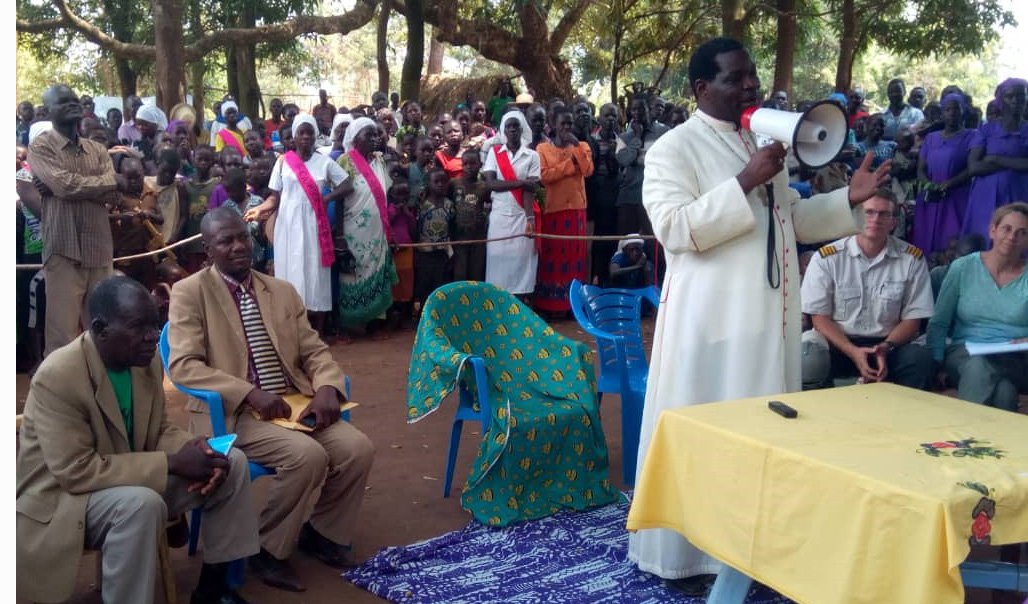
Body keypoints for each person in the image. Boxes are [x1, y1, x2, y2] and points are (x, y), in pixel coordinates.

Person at [629, 38, 891, 595]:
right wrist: (745, 180)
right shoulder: (672, 149)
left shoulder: (764, 142)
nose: (752, 86)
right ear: (702, 89)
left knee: (763, 438)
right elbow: (674, 229)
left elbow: (788, 220)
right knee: (709, 434)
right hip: (710, 323)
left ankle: (753, 551)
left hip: (767, 321)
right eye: (736, 78)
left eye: (752, 76)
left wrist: (849, 198)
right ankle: (690, 555)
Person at [17, 276, 259, 604]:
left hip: (128, 479)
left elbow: (157, 430)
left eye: (155, 325)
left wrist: (195, 448)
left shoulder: (144, 361)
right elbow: (75, 471)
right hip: (65, 499)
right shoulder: (57, 377)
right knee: (140, 505)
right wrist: (174, 462)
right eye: (138, 328)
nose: (152, 338)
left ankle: (214, 591)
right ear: (101, 330)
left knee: (231, 462)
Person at [167, 209, 374, 592]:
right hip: (234, 413)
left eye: (243, 237)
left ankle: (322, 533)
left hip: (292, 405)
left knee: (356, 448)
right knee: (306, 456)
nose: (238, 246)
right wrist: (249, 392)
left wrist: (328, 386)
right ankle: (265, 548)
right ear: (207, 249)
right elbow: (184, 365)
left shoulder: (280, 290)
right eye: (225, 241)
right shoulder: (190, 293)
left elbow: (313, 350)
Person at [800, 191, 934, 389]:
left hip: (888, 344)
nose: (875, 219)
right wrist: (853, 351)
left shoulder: (911, 259)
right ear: (856, 217)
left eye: (884, 214)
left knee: (919, 358)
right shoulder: (827, 258)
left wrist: (885, 348)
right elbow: (819, 318)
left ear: (893, 222)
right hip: (838, 342)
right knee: (808, 355)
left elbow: (913, 319)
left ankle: (906, 416)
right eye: (869, 212)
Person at [27, 85, 125, 357]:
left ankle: (101, 392)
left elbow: (115, 195)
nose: (72, 104)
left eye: (74, 100)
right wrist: (104, 183)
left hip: (99, 249)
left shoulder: (97, 149)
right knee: (62, 337)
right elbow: (65, 186)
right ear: (47, 111)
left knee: (104, 329)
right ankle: (62, 396)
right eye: (63, 102)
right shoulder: (41, 146)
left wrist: (69, 186)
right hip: (63, 250)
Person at [244, 114, 350, 335]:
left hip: (314, 225)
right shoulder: (283, 162)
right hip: (288, 226)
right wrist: (259, 209)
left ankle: (317, 331)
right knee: (290, 272)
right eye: (301, 132)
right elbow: (275, 198)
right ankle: (292, 328)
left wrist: (327, 198)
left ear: (314, 135)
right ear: (294, 136)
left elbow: (347, 185)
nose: (305, 136)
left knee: (316, 273)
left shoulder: (324, 162)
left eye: (309, 132)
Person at [926, 202, 1028, 412]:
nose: (1012, 237)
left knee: (993, 379)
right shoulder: (963, 267)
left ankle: (962, 437)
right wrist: (937, 363)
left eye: (1022, 232)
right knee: (998, 386)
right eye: (1006, 229)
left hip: (1015, 359)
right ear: (992, 230)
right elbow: (939, 321)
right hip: (964, 354)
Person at [535, 105, 594, 315]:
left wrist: (577, 147)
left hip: (577, 210)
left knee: (575, 255)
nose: (567, 127)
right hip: (553, 210)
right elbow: (544, 177)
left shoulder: (583, 146)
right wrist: (570, 166)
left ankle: (573, 306)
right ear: (553, 125)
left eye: (570, 123)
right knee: (553, 256)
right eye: (563, 123)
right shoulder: (542, 149)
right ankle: (550, 305)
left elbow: (587, 171)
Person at [482, 111, 541, 300]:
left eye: (516, 126)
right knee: (497, 260)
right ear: (503, 130)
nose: (513, 129)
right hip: (499, 217)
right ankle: (498, 304)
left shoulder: (532, 156)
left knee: (522, 262)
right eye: (509, 126)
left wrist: (530, 217)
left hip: (522, 215)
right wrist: (521, 182)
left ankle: (520, 304)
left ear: (522, 129)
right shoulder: (494, 153)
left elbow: (531, 190)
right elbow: (491, 184)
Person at [963, 78, 1028, 238]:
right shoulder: (986, 130)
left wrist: (995, 159)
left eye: (1021, 95)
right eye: (1010, 96)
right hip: (986, 196)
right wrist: (1016, 163)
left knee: (1017, 239)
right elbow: (974, 167)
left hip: (1021, 194)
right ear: (1001, 100)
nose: (1016, 100)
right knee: (985, 236)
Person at [912, 93, 974, 254]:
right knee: (923, 242)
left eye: (956, 109)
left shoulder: (972, 136)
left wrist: (946, 185)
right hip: (930, 196)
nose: (952, 113)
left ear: (963, 111)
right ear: (942, 113)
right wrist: (929, 185)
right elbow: (921, 168)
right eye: (947, 109)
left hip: (956, 197)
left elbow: (971, 168)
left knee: (950, 243)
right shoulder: (931, 138)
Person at [109, 156, 163, 288]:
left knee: (149, 289)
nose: (133, 181)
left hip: (149, 254)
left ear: (143, 172)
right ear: (122, 176)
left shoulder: (151, 194)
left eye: (137, 177)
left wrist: (149, 215)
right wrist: (121, 217)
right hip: (127, 254)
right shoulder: (118, 196)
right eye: (129, 178)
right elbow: (105, 216)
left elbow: (161, 219)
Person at [586, 103, 622, 284]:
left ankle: (609, 278)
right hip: (597, 194)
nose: (610, 119)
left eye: (614, 116)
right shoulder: (592, 140)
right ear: (599, 118)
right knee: (597, 240)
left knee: (612, 239)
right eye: (607, 115)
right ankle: (594, 278)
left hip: (615, 194)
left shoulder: (621, 141)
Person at [450, 148, 491, 282]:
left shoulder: (484, 186)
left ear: (480, 164)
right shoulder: (454, 184)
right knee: (460, 274)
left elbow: (490, 204)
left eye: (472, 163)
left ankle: (476, 301)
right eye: (465, 163)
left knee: (476, 273)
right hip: (459, 237)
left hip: (478, 238)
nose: (468, 167)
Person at [415, 167, 456, 302]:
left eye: (443, 181)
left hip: (442, 253)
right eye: (436, 181)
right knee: (424, 284)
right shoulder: (422, 205)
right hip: (424, 253)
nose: (440, 184)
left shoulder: (449, 204)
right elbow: (417, 228)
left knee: (441, 284)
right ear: (428, 183)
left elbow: (451, 227)